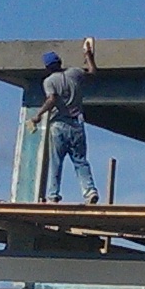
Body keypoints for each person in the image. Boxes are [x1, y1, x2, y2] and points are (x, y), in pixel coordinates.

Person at [35, 39, 101, 203]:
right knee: (80, 160)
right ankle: (90, 191)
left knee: (56, 161)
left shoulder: (49, 81)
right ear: (60, 62)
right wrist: (89, 56)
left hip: (59, 125)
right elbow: (93, 72)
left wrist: (39, 114)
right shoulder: (74, 73)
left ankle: (53, 195)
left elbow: (51, 100)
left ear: (47, 68)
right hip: (77, 123)